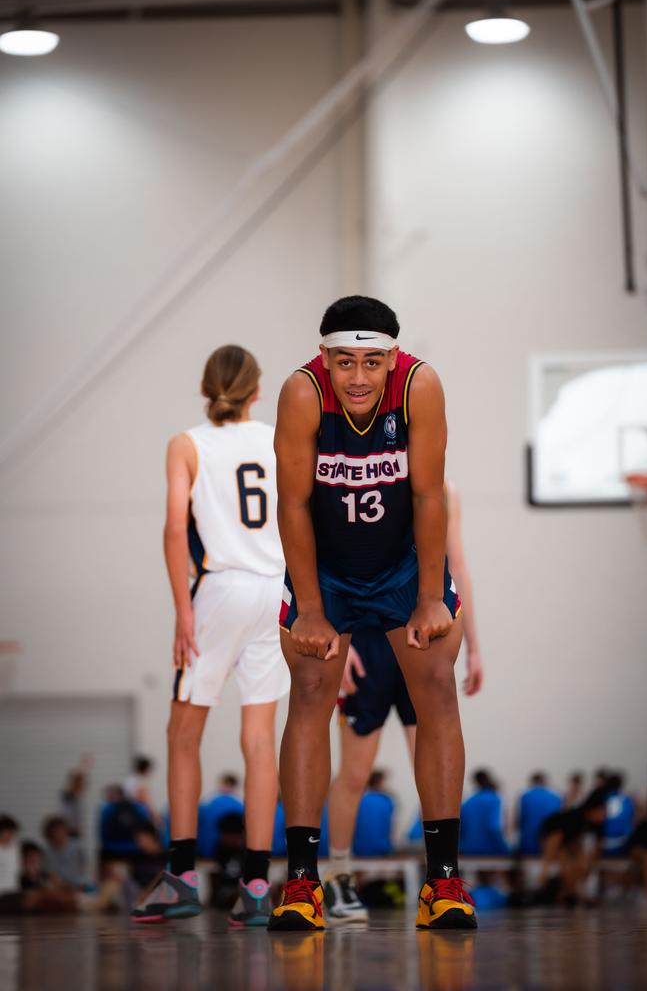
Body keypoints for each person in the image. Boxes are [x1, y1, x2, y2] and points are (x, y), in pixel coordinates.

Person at [269, 295, 476, 931]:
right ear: (323, 358)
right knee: (308, 691)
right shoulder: (302, 394)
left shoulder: (421, 386)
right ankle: (302, 883)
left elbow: (428, 493)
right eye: (344, 362)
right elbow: (295, 504)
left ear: (392, 359)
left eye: (371, 362)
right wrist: (309, 607)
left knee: (437, 687)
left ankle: (443, 880)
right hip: (325, 567)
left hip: (404, 561)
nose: (358, 377)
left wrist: (429, 596)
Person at [132, 345, 290, 926]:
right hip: (276, 588)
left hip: (221, 588)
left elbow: (176, 529)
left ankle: (182, 877)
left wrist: (183, 609)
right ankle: (254, 884)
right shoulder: (278, 438)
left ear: (206, 386)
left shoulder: (187, 443)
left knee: (182, 732)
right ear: (256, 388)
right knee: (259, 737)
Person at [325, 479, 483, 922]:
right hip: (369, 640)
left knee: (430, 767)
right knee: (354, 774)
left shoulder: (445, 491)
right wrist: (342, 640)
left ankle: (442, 877)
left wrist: (474, 645)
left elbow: (458, 567)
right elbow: (334, 561)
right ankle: (337, 878)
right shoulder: (359, 477)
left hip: (423, 637)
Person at [538, 786, 609, 905]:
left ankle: (570, 892)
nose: (605, 815)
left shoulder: (597, 825)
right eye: (603, 811)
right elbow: (554, 841)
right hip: (552, 836)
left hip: (569, 841)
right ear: (593, 810)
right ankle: (570, 893)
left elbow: (596, 848)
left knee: (580, 864)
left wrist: (588, 865)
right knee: (566, 862)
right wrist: (545, 869)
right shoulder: (574, 818)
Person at [459, 770, 510, 856]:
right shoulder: (494, 799)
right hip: (488, 849)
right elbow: (493, 827)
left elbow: (461, 830)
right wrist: (505, 849)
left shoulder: (467, 802)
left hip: (467, 849)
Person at [516, 772, 562, 855]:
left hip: (528, 846)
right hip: (549, 847)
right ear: (545, 782)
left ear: (532, 782)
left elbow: (519, 822)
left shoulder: (525, 797)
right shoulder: (556, 798)